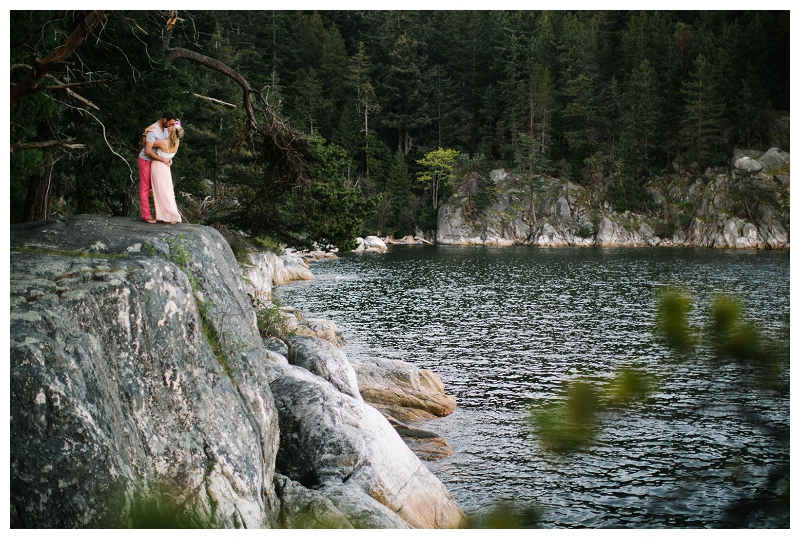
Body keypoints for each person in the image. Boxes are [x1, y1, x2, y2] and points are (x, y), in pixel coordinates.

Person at [137, 111, 177, 223]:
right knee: (145, 188)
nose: (171, 125)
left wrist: (168, 158)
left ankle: (164, 215)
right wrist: (163, 160)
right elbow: (148, 151)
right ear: (164, 120)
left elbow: (166, 147)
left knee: (160, 188)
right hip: (146, 160)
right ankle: (146, 215)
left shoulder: (166, 130)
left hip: (157, 163)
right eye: (170, 123)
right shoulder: (152, 130)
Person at [149, 121, 184, 224]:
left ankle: (172, 215)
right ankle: (166, 215)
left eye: (169, 128)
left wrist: (147, 132)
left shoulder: (162, 142)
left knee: (160, 191)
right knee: (167, 191)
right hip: (166, 168)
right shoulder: (176, 143)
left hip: (158, 166)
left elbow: (147, 143)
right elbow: (169, 155)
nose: (167, 128)